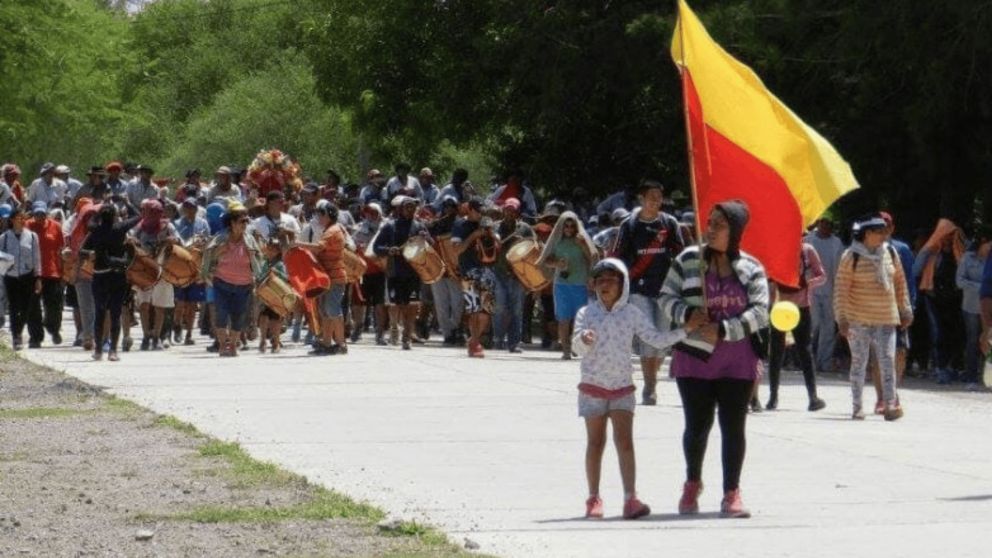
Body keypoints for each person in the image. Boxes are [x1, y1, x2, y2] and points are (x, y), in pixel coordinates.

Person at [660, 200, 769, 518]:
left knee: (733, 427)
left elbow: (761, 311)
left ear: (735, 231)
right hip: (694, 358)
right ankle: (692, 482)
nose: (709, 228)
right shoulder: (688, 259)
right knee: (697, 426)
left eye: (719, 224)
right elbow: (666, 297)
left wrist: (723, 330)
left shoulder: (752, 267)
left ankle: (731, 493)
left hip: (738, 361)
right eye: (709, 222)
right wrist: (687, 316)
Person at [574, 258, 706, 519]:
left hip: (622, 389)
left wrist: (685, 330)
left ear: (623, 284)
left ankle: (630, 498)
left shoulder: (632, 313)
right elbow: (575, 346)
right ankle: (593, 498)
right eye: (600, 280)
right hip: (592, 389)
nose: (605, 285)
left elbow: (655, 339)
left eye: (611, 280)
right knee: (595, 443)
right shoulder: (586, 313)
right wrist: (583, 339)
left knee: (625, 443)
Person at [609, 179, 684, 405]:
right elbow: (619, 256)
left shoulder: (670, 224)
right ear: (642, 198)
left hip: (665, 289)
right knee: (648, 338)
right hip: (639, 289)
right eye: (652, 197)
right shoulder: (629, 225)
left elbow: (680, 253)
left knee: (661, 341)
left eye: (659, 197)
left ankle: (652, 379)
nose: (656, 201)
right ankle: (650, 387)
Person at [834, 215, 913, 421]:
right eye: (879, 232)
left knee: (888, 361)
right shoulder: (851, 257)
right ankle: (857, 407)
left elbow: (900, 282)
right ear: (867, 234)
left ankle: (889, 405)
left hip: (886, 318)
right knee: (859, 363)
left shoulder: (890, 253)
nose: (883, 236)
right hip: (858, 319)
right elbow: (841, 290)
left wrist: (905, 309)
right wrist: (842, 318)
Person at [765, 242, 827, 411]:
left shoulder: (807, 250)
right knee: (777, 352)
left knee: (804, 352)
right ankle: (773, 396)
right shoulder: (776, 250)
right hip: (780, 306)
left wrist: (808, 283)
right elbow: (768, 277)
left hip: (801, 307)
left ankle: (812, 397)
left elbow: (822, 275)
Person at [201, 204, 264, 357]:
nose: (244, 225)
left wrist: (254, 260)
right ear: (232, 223)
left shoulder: (249, 240)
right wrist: (218, 253)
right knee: (221, 315)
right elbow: (208, 256)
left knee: (238, 317)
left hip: (244, 284)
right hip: (222, 282)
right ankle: (223, 346)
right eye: (241, 222)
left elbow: (259, 259)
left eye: (246, 222)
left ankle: (234, 347)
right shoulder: (220, 238)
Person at [83, 203, 141, 361]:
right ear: (115, 216)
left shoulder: (94, 229)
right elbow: (138, 215)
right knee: (115, 314)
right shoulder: (120, 228)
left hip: (100, 276)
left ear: (101, 216)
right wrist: (125, 201)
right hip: (117, 276)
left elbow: (82, 250)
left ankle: (99, 351)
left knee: (100, 314)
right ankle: (113, 351)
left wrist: (98, 212)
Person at [539, 211, 598, 359]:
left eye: (572, 226)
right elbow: (546, 259)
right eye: (566, 226)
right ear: (561, 227)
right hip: (561, 285)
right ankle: (565, 350)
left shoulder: (582, 239)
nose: (569, 229)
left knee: (580, 320)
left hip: (580, 284)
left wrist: (583, 245)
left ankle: (577, 346)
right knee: (563, 319)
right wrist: (557, 263)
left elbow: (593, 257)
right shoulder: (556, 241)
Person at [913, 219, 966, 384]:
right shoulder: (931, 253)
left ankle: (954, 367)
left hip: (956, 300)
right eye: (945, 236)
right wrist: (928, 248)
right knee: (938, 334)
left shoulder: (961, 251)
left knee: (956, 334)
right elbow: (916, 270)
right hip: (934, 298)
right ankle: (940, 368)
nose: (948, 239)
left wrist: (960, 238)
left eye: (952, 236)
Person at [373, 196, 427, 350]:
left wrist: (425, 238)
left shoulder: (419, 227)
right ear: (401, 209)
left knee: (412, 305)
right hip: (395, 272)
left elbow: (431, 245)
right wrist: (389, 250)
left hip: (414, 272)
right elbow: (377, 247)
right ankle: (395, 329)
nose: (411, 209)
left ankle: (407, 337)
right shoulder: (390, 226)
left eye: (413, 207)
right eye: (407, 206)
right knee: (397, 304)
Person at [299, 202, 351, 354]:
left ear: (329, 215)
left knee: (333, 310)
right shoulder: (330, 229)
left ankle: (341, 344)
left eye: (321, 214)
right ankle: (327, 343)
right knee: (326, 311)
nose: (319, 217)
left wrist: (297, 244)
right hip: (328, 277)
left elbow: (318, 247)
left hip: (334, 277)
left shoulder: (332, 231)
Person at [451, 197, 497, 357]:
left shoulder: (487, 223)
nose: (481, 213)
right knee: (473, 309)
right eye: (478, 211)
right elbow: (456, 250)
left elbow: (497, 245)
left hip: (488, 271)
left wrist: (491, 234)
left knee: (486, 310)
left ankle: (473, 339)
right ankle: (476, 343)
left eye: (483, 210)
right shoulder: (460, 225)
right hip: (469, 272)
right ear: (470, 209)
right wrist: (473, 236)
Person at [491, 198, 535, 353]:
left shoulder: (525, 228)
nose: (510, 213)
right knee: (500, 307)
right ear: (504, 210)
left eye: (513, 210)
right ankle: (497, 339)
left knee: (517, 309)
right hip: (500, 273)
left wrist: (522, 242)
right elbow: (494, 243)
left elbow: (533, 247)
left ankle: (514, 342)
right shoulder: (496, 227)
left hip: (518, 275)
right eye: (508, 210)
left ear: (517, 212)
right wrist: (506, 242)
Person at [803, 217, 844, 372]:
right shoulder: (808, 240)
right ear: (818, 223)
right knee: (813, 326)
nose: (825, 226)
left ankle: (824, 362)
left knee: (828, 328)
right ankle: (809, 361)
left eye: (829, 223)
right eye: (823, 222)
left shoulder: (837, 243)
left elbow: (839, 268)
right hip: (811, 290)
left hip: (831, 291)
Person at [1, 207, 42, 351]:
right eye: (18, 217)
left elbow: (36, 257)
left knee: (26, 306)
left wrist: (38, 277)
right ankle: (16, 336)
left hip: (27, 275)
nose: (21, 220)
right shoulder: (4, 237)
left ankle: (19, 328)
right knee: (13, 306)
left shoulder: (32, 236)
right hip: (11, 276)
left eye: (23, 217)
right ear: (12, 220)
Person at [427, 196, 465, 346]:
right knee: (441, 304)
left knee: (458, 303)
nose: (449, 209)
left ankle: (456, 328)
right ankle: (448, 334)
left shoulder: (461, 224)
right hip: (438, 270)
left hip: (455, 271)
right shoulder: (436, 225)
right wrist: (429, 227)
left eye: (452, 206)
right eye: (446, 206)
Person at [26, 202, 65, 346]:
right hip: (33, 273)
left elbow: (60, 250)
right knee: (33, 307)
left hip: (52, 272)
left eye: (42, 214)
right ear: (33, 214)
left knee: (54, 305)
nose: (39, 217)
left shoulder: (55, 226)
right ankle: (35, 337)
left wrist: (63, 272)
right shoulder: (27, 226)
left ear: (46, 214)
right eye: (37, 214)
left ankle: (53, 328)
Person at [173, 199, 210, 345]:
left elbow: (208, 242)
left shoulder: (203, 223)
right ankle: (177, 326)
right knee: (180, 302)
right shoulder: (177, 224)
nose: (190, 210)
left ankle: (189, 334)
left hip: (196, 267)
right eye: (187, 207)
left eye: (192, 207)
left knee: (193, 304)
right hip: (181, 267)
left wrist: (202, 242)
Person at [956, 229, 989, 386]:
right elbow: (959, 281)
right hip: (971, 307)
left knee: (989, 340)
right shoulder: (967, 258)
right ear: (983, 242)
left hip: (988, 308)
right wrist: (980, 287)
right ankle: (971, 377)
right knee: (972, 341)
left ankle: (987, 377)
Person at [353, 202, 389, 345]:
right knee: (359, 303)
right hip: (363, 270)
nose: (370, 215)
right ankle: (358, 328)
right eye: (368, 212)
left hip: (381, 271)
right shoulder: (359, 228)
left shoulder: (386, 227)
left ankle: (379, 333)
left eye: (373, 212)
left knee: (380, 304)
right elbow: (352, 244)